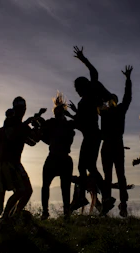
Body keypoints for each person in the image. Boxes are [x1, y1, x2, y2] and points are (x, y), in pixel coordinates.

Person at [66, 46, 116, 216]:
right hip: (93, 136)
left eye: (77, 87)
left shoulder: (87, 98)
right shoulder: (89, 100)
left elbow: (93, 71)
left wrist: (83, 58)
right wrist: (71, 116)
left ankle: (90, 197)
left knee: (84, 167)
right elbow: (81, 122)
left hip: (92, 136)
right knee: (89, 167)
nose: (76, 91)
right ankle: (102, 200)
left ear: (83, 86)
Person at [0, 97, 45, 220]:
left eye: (22, 109)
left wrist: (38, 128)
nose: (21, 111)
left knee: (24, 190)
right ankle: (4, 217)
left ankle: (12, 216)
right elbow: (13, 135)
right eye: (19, 108)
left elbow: (32, 141)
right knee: (8, 190)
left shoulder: (19, 125)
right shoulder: (11, 123)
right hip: (5, 161)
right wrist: (29, 124)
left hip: (10, 161)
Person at [98, 65, 133, 217]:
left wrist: (128, 80)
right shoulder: (104, 111)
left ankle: (122, 204)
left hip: (112, 145)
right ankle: (111, 203)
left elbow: (128, 97)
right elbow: (98, 97)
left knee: (117, 175)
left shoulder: (114, 111)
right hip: (112, 145)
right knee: (113, 176)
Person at [39, 91, 76, 220]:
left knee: (61, 187)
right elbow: (44, 137)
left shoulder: (63, 124)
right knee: (53, 186)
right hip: (58, 157)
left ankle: (60, 212)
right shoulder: (63, 124)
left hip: (59, 157)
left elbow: (44, 137)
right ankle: (49, 212)